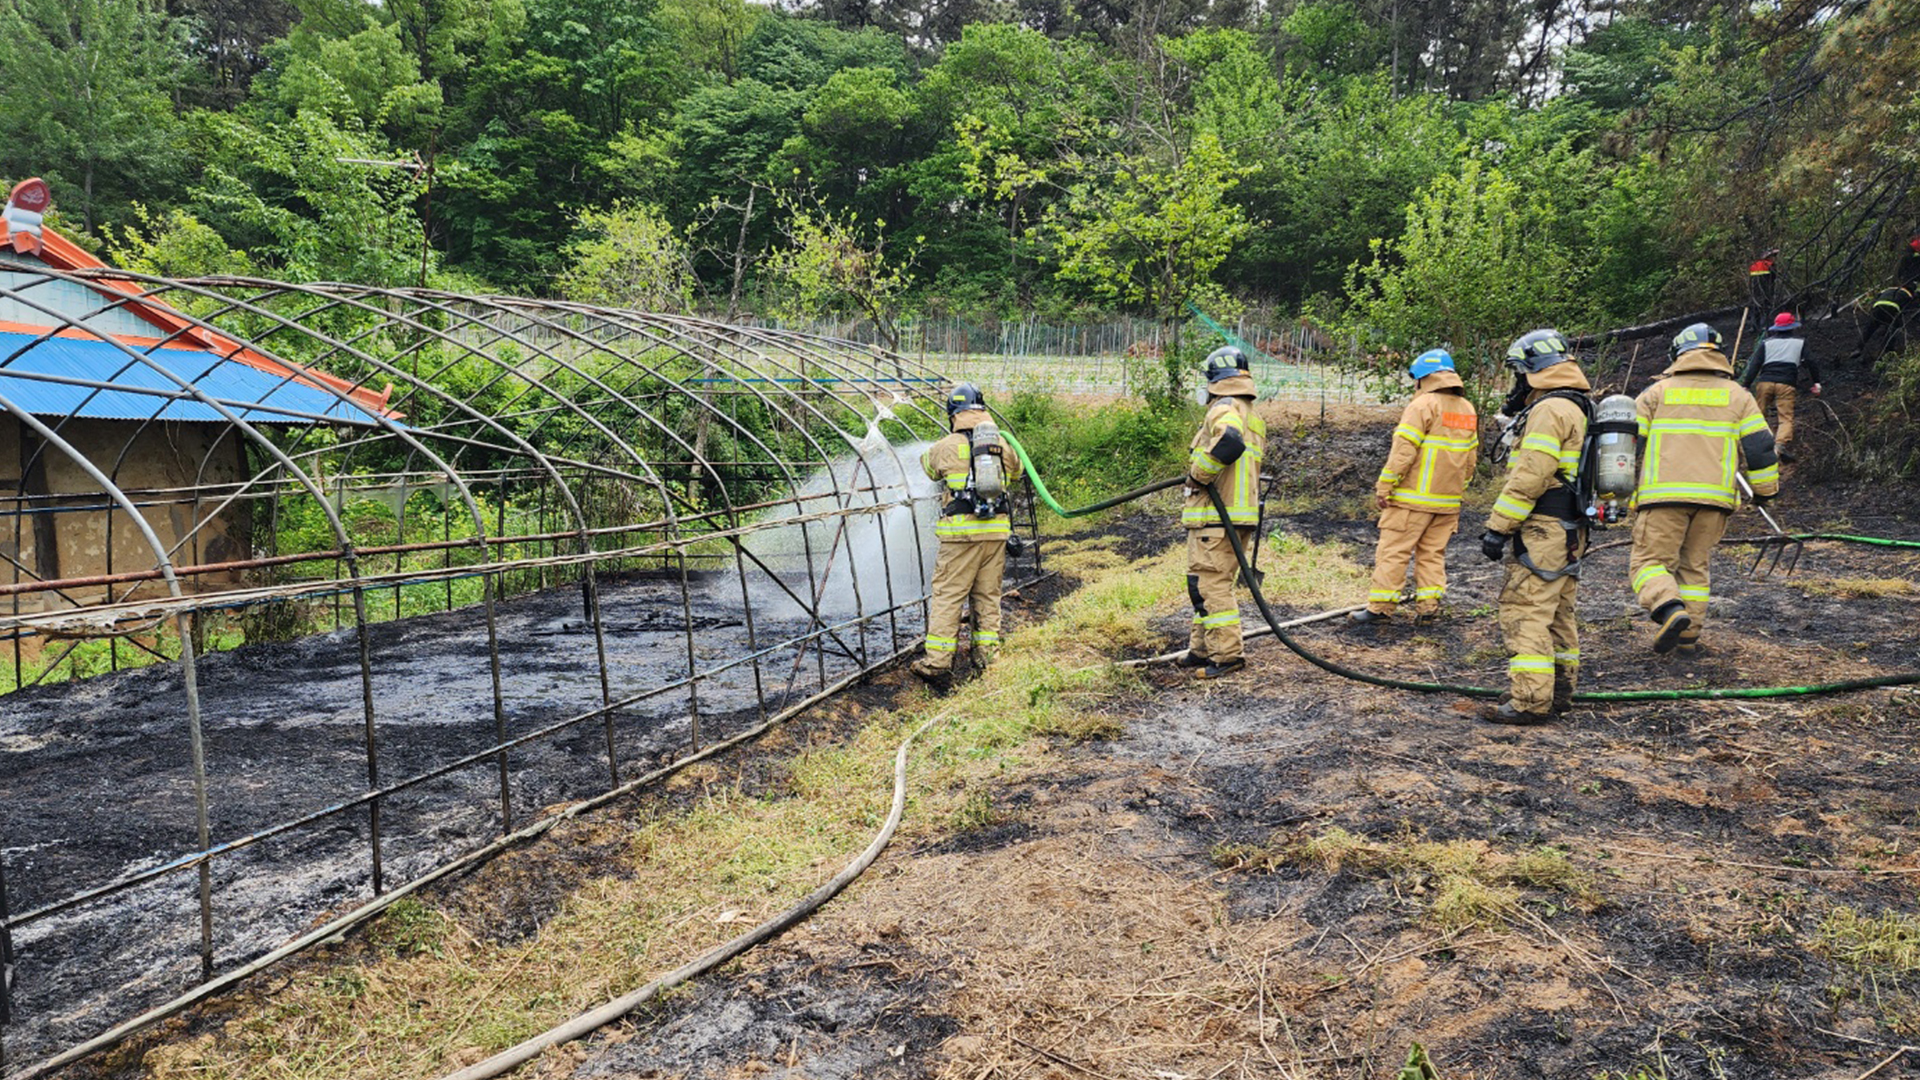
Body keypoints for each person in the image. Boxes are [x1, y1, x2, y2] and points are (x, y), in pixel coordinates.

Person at [1629, 324, 1779, 656]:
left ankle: (1668, 608)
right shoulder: (1738, 396)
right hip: (1714, 501)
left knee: (1649, 562)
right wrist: (1765, 491)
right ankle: (1688, 640)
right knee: (1694, 567)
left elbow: (1628, 444)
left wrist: (1613, 491)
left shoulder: (1656, 394)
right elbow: (1760, 448)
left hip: (1663, 497)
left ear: (1678, 353)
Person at [1477, 329, 1591, 725]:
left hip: (1543, 527)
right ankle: (1558, 692)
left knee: (1525, 609)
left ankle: (1530, 700)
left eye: (1518, 373)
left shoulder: (1550, 410)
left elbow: (1532, 473)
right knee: (1558, 612)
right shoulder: (1578, 406)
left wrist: (1499, 527)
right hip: (1570, 528)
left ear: (1532, 370)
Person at [1350, 348, 1479, 626]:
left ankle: (1380, 609)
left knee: (1393, 552)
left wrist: (1385, 486)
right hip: (1447, 503)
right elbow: (1470, 459)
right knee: (1432, 554)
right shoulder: (1467, 408)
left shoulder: (1422, 405)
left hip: (1411, 501)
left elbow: (1403, 452)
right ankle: (1428, 608)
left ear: (1422, 378)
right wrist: (1457, 490)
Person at [910, 383, 1023, 689]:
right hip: (995, 535)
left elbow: (929, 470)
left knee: (949, 596)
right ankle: (986, 660)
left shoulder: (946, 445)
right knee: (987, 596)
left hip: (960, 536)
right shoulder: (1001, 443)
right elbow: (1017, 472)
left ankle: (937, 664)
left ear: (954, 414)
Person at [1178, 345, 1267, 678]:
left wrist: (1197, 474)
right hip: (1237, 515)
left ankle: (1226, 656)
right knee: (1205, 583)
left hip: (1216, 516)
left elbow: (1229, 441)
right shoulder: (1251, 413)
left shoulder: (1224, 407)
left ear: (1214, 379)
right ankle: (1202, 649)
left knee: (1211, 586)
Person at [1739, 312, 1822, 462]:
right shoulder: (1800, 342)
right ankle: (1779, 447)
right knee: (1785, 418)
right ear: (1792, 327)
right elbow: (1811, 362)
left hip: (1765, 382)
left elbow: (1755, 365)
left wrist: (1746, 385)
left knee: (1758, 416)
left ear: (1776, 328)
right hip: (1786, 383)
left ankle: (1756, 446)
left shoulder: (1766, 343)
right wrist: (1816, 382)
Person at [1852, 284, 1913, 364]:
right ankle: (1887, 351)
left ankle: (1858, 348)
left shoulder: (1887, 289)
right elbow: (1907, 309)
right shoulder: (1908, 294)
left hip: (1878, 306)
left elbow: (1876, 298)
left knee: (1869, 329)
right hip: (1892, 309)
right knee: (1893, 329)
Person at [1747, 249, 1779, 320]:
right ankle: (1766, 324)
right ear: (1768, 257)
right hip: (1766, 290)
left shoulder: (1754, 265)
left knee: (1756, 308)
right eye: (1773, 256)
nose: (1774, 258)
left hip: (1755, 292)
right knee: (1766, 308)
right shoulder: (1770, 265)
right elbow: (1774, 277)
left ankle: (1755, 325)